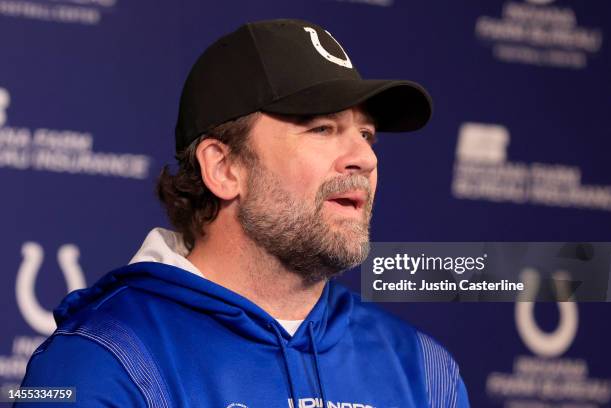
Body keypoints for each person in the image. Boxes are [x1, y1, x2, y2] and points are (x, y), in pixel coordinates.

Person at [18, 19, 470, 407]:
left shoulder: (424, 371)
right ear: (224, 167)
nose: (364, 159)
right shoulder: (94, 364)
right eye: (322, 128)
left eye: (367, 135)